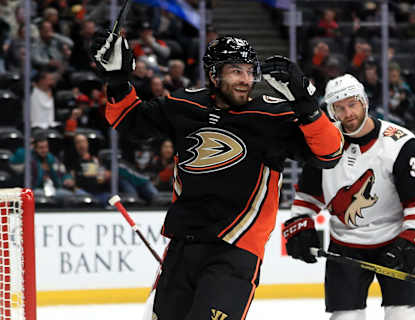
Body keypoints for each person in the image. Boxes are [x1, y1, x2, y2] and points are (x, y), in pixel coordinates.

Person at [90, 33, 343, 320]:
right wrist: (117, 80)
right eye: (236, 71)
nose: (246, 80)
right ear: (213, 74)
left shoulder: (272, 116)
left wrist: (309, 107)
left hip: (236, 249)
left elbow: (330, 155)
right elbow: (129, 121)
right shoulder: (186, 106)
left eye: (250, 71)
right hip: (183, 246)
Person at [283, 74, 415, 320]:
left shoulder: (400, 143)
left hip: (396, 240)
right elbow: (308, 196)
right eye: (340, 108)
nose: (348, 112)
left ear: (364, 102)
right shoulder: (323, 143)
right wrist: (301, 223)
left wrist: (411, 241)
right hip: (345, 245)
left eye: (352, 104)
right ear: (332, 112)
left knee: (403, 316)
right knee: (345, 318)